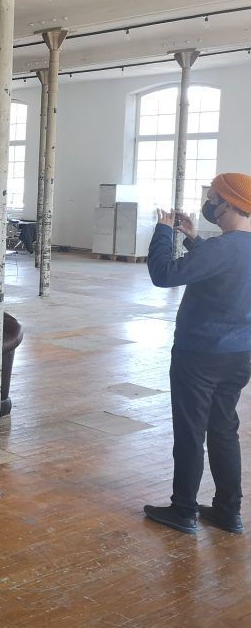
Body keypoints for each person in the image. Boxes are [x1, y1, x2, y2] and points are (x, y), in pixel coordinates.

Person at [144, 172, 251, 534]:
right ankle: (228, 511)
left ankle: (184, 510)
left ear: (229, 204)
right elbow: (225, 268)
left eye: (213, 198)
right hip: (240, 355)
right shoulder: (234, 247)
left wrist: (163, 231)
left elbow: (164, 274)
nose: (209, 205)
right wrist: (193, 239)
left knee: (190, 432)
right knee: (224, 430)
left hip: (200, 355)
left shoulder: (223, 248)